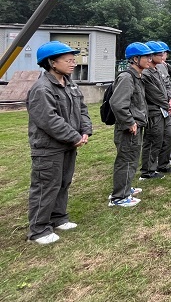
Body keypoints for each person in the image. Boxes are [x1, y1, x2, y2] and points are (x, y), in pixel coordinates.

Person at [26, 41, 92, 244]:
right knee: (46, 186)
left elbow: (82, 109)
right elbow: (49, 120)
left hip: (68, 145)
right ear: (52, 63)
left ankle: (58, 218)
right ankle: (38, 229)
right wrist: (74, 136)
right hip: (48, 148)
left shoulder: (70, 84)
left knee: (63, 183)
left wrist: (85, 130)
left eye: (73, 59)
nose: (73, 63)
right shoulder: (42, 88)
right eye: (68, 60)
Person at [108, 42, 153, 207]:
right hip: (129, 128)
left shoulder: (137, 76)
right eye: (146, 56)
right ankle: (119, 197)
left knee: (132, 159)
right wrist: (129, 122)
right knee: (126, 160)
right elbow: (117, 103)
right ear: (135, 59)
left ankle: (126, 188)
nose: (149, 59)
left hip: (135, 126)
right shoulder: (127, 77)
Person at [139, 41, 171, 180]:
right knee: (153, 140)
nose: (162, 56)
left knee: (169, 137)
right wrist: (167, 103)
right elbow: (154, 94)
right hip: (154, 112)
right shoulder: (146, 73)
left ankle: (163, 164)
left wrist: (170, 99)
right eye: (159, 54)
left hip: (163, 110)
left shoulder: (158, 70)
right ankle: (148, 170)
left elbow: (165, 87)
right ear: (151, 56)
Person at [157, 41, 171, 166]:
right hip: (164, 104)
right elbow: (164, 84)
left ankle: (167, 157)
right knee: (166, 132)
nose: (165, 56)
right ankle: (164, 157)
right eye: (164, 53)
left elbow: (168, 80)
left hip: (167, 102)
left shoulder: (163, 65)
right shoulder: (158, 66)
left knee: (168, 132)